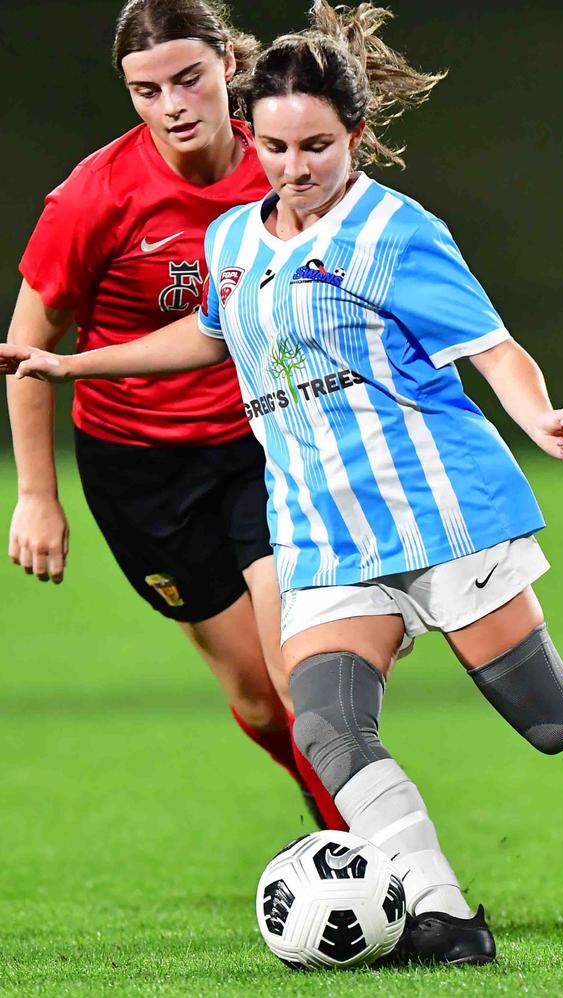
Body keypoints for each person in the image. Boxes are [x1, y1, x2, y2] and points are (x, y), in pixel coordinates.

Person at [4, 0, 563, 968]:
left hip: (436, 515)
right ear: (251, 135)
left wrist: (538, 417)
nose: (292, 168)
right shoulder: (232, 240)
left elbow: (493, 349)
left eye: (313, 146)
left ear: (352, 135)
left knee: (553, 717)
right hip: (323, 534)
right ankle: (441, 918)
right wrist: (75, 368)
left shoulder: (396, 233)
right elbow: (207, 334)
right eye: (272, 147)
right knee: (326, 726)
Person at [4, 0, 345, 831]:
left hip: (261, 443)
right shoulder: (94, 198)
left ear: (227, 62)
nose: (172, 107)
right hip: (142, 468)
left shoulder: (278, 159)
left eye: (188, 79)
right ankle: (318, 789)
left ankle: (371, 853)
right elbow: (26, 350)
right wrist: (38, 496)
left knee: (300, 672)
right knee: (260, 700)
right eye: (146, 91)